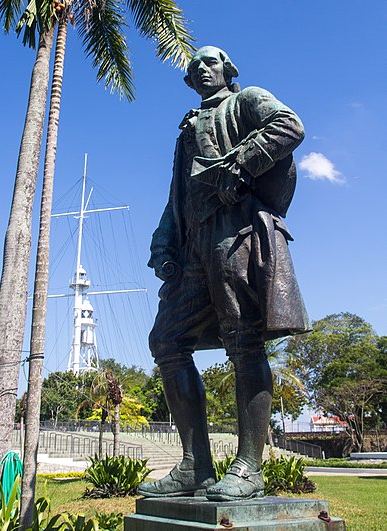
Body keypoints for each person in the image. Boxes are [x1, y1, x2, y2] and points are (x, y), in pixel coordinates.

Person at [139, 46, 310, 501]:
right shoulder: (186, 131)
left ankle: (249, 466)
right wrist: (164, 239)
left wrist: (240, 163)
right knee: (167, 341)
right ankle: (196, 465)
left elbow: (289, 126)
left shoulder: (247, 100)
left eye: (209, 63)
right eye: (194, 69)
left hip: (233, 232)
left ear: (227, 70)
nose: (201, 70)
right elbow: (177, 192)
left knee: (243, 339)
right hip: (193, 245)